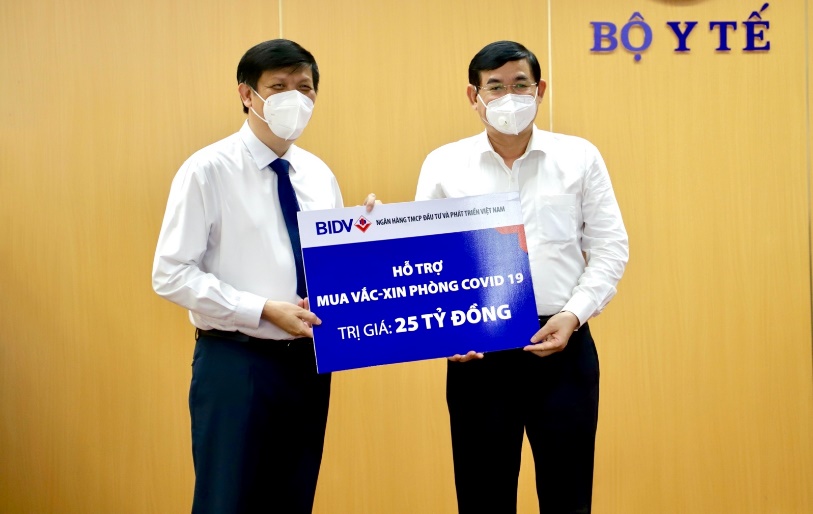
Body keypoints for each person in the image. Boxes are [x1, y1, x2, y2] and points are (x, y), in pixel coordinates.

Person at [152, 39, 377, 514]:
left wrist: (367, 233)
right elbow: (170, 273)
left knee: (293, 499)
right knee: (226, 501)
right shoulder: (207, 170)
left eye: (305, 88)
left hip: (308, 365)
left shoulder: (318, 174)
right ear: (247, 94)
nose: (294, 98)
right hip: (236, 361)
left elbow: (330, 268)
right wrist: (260, 310)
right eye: (278, 87)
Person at [415, 41, 629, 514]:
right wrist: (445, 331)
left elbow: (611, 248)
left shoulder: (579, 157)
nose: (508, 97)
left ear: (540, 90)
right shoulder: (444, 164)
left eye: (520, 85)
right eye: (495, 87)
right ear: (473, 96)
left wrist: (574, 314)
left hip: (563, 346)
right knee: (483, 497)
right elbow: (426, 258)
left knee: (568, 496)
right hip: (478, 353)